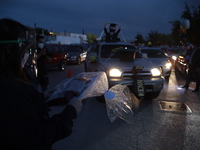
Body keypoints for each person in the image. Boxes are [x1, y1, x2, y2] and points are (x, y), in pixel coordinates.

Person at [0, 18, 82, 150]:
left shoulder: (11, 86)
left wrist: (40, 98)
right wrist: (70, 113)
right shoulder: (10, 89)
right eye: (26, 50)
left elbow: (17, 117)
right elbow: (34, 138)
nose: (28, 54)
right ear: (10, 49)